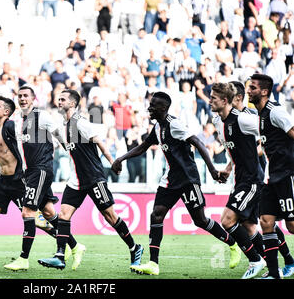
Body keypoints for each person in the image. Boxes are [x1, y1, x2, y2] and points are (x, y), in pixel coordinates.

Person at [111, 91, 241, 276]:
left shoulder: (175, 125)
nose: (149, 108)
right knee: (156, 215)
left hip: (188, 179)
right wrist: (120, 159)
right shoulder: (157, 127)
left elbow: (198, 142)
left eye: (153, 105)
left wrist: (212, 170)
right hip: (171, 179)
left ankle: (232, 244)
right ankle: (153, 264)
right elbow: (143, 147)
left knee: (200, 220)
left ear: (163, 108)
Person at [38, 89, 143, 270]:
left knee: (110, 216)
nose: (59, 101)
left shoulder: (80, 122)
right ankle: (60, 256)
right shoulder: (65, 124)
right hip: (76, 180)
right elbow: (68, 147)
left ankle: (135, 248)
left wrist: (113, 162)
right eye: (59, 98)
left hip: (94, 178)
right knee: (64, 215)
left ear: (72, 103)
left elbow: (99, 142)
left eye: (63, 99)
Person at [3, 85, 84, 271]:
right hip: (31, 171)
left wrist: (70, 152)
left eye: (26, 96)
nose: (22, 98)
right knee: (48, 212)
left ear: (34, 99)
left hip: (40, 170)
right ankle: (75, 246)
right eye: (20, 96)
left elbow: (58, 133)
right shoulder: (21, 120)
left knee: (27, 213)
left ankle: (23, 259)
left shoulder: (42, 116)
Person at [231, 80, 294, 278]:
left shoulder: (275, 111)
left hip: (286, 176)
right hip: (270, 178)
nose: (249, 91)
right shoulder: (259, 115)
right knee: (266, 221)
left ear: (264, 91)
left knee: (292, 225)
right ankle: (274, 273)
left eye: (253, 88)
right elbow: (265, 144)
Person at [209, 82, 266, 279]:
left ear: (225, 101)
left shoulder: (243, 120)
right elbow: (234, 150)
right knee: (249, 227)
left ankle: (255, 260)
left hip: (252, 179)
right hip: (239, 179)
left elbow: (269, 127)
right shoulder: (218, 121)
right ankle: (274, 264)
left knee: (227, 220)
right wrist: (227, 169)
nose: (209, 101)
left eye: (213, 98)